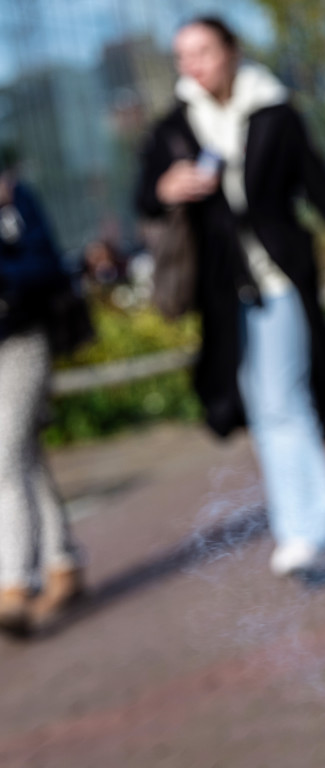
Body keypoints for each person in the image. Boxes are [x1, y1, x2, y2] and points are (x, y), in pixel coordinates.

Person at [136, 16, 325, 577]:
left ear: (231, 51)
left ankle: (308, 525)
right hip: (223, 293)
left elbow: (322, 191)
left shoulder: (274, 112)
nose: (192, 65)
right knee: (262, 407)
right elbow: (145, 200)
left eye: (202, 51)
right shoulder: (173, 128)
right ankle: (297, 525)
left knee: (281, 399)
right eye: (182, 56)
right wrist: (165, 188)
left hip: (281, 277)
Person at [0, 163, 87, 636]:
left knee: (4, 460)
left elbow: (46, 266)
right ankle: (63, 561)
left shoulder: (15, 198)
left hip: (20, 343)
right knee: (25, 457)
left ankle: (14, 584)